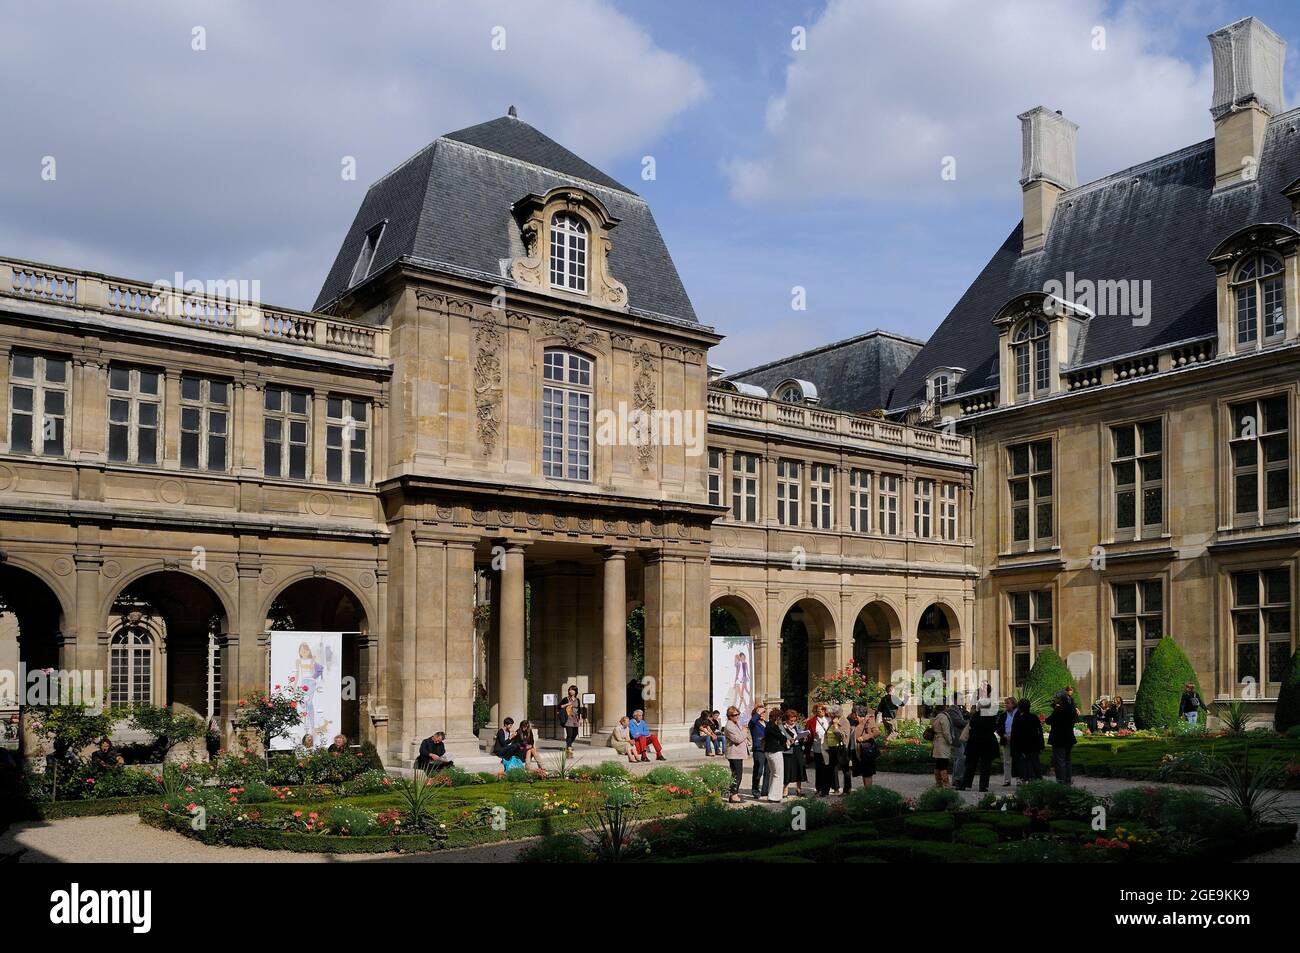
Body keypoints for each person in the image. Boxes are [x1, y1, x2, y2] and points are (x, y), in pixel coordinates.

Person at [958, 704, 998, 792]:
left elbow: (971, 728)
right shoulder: (992, 716)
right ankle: (983, 786)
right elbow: (994, 728)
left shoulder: (975, 715)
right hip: (987, 742)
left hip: (974, 742)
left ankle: (965, 784)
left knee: (970, 765)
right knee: (985, 765)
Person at [1046, 690, 1077, 785]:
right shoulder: (1072, 708)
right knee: (1067, 760)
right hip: (1069, 737)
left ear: (1060, 699)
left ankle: (1061, 781)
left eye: (1056, 698)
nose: (1054, 699)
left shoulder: (1059, 709)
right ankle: (1068, 780)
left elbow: (1049, 720)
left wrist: (1054, 710)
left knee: (1059, 761)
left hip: (1059, 738)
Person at [1009, 699, 1043, 782]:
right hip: (1033, 745)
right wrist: (1041, 744)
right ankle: (1035, 780)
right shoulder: (1034, 717)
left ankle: (1026, 779)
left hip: (1022, 746)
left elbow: (1014, 734)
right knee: (1034, 764)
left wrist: (1013, 749)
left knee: (1023, 765)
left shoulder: (1018, 719)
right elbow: (1039, 732)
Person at [723, 706, 749, 803]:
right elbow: (737, 739)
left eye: (738, 714)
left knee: (736, 774)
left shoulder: (736, 723)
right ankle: (733, 795)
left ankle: (734, 794)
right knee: (737, 775)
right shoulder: (729, 726)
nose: (737, 716)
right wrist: (745, 731)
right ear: (729, 716)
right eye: (734, 715)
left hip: (738, 753)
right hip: (734, 754)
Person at [809, 703, 834, 796]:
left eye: (823, 710)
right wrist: (811, 749)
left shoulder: (829, 719)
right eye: (820, 710)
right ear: (816, 711)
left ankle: (825, 789)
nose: (822, 712)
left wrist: (827, 706)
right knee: (819, 769)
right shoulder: (812, 721)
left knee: (826, 768)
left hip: (827, 748)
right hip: (817, 748)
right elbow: (810, 736)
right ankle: (818, 788)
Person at [763, 707, 788, 803]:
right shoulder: (773, 726)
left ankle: (772, 794)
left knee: (773, 774)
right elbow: (782, 738)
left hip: (768, 751)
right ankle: (774, 796)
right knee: (778, 774)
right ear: (777, 718)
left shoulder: (768, 725)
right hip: (775, 752)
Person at [853, 708, 881, 786]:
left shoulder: (869, 721)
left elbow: (877, 732)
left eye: (856, 715)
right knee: (864, 773)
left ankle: (868, 792)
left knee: (867, 773)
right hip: (860, 751)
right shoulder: (857, 722)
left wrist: (865, 737)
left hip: (867, 750)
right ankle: (866, 791)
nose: (854, 717)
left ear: (858, 715)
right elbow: (856, 734)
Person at [783, 709, 808, 796]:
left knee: (799, 768)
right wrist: (788, 741)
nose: (793, 722)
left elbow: (802, 735)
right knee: (787, 770)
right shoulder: (782, 727)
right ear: (786, 719)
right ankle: (785, 789)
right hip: (788, 751)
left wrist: (804, 737)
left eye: (794, 720)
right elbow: (781, 739)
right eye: (791, 720)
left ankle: (798, 789)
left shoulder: (798, 726)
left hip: (798, 750)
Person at [994, 696, 1016, 787]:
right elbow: (998, 727)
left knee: (1018, 760)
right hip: (1006, 739)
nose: (1006, 705)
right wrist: (1003, 735)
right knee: (1007, 761)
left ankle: (1019, 779)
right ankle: (1007, 780)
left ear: (1013, 704)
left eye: (1008, 703)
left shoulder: (1018, 714)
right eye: (1005, 703)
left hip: (1016, 740)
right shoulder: (1003, 715)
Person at [748, 704, 768, 798]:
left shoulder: (767, 723)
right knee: (758, 770)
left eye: (763, 712)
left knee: (768, 771)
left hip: (768, 749)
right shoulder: (754, 723)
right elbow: (751, 721)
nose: (762, 714)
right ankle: (755, 790)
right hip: (758, 749)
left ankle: (765, 790)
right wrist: (758, 712)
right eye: (760, 712)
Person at [561, 685, 584, 754]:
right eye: (570, 690)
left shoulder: (578, 700)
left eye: (573, 690)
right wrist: (568, 704)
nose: (571, 691)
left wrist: (580, 718)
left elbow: (579, 709)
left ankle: (568, 744)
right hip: (568, 718)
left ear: (575, 691)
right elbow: (560, 706)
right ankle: (569, 747)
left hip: (575, 718)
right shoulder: (566, 699)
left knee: (575, 733)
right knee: (569, 733)